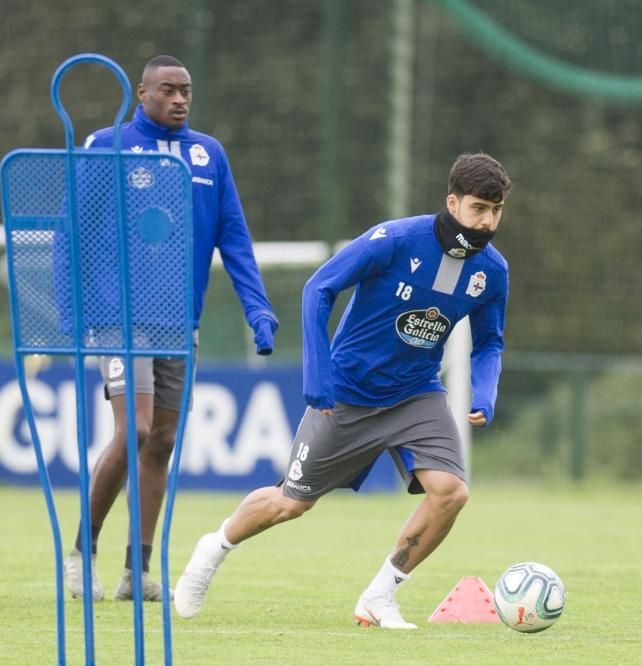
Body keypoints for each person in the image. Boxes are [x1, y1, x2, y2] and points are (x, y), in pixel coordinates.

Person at [173, 152, 512, 628]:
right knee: (291, 502)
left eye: (496, 211)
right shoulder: (394, 240)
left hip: (417, 393)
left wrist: (484, 391)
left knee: (451, 492)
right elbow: (318, 289)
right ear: (452, 202)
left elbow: (489, 341)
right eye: (479, 208)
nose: (488, 221)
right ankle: (214, 548)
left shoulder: (491, 272)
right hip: (348, 393)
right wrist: (318, 374)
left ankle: (380, 595)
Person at [63, 55, 279, 602]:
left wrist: (258, 310)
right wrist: (69, 315)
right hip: (119, 320)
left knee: (160, 442)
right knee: (133, 430)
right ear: (141, 93)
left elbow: (234, 238)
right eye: (168, 90)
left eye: (187, 91)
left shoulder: (209, 155)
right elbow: (71, 233)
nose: (180, 99)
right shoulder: (105, 146)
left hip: (179, 323)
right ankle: (80, 553)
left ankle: (137, 572)